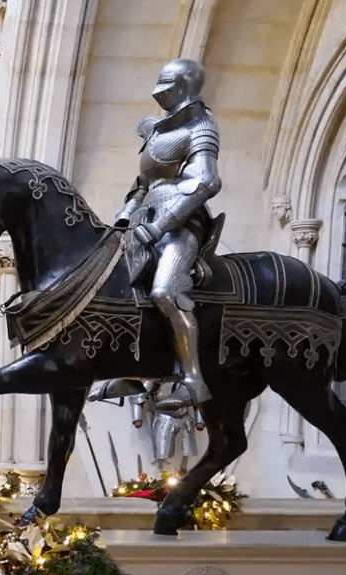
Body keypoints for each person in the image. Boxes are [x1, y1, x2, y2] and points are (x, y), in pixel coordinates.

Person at [113, 57, 221, 414]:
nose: (159, 91)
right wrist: (125, 218)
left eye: (167, 84)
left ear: (185, 86)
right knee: (120, 289)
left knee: (164, 292)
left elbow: (206, 181)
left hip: (182, 224)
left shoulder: (201, 127)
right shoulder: (156, 132)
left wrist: (162, 225)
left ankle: (193, 380)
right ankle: (141, 369)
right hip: (145, 223)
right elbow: (141, 186)